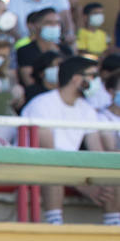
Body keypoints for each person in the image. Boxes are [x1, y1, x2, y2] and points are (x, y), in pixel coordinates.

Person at [23, 55, 117, 227]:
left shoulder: (86, 109)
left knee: (113, 175)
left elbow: (98, 154)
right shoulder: (43, 104)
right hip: (35, 163)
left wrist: (100, 178)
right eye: (93, 76)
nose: (97, 82)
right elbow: (49, 154)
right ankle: (55, 225)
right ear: (76, 79)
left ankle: (114, 225)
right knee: (53, 172)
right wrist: (83, 185)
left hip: (68, 167)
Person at [16, 7, 71, 88]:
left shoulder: (66, 50)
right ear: (37, 25)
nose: (54, 26)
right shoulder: (25, 51)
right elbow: (28, 80)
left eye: (57, 23)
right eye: (49, 23)